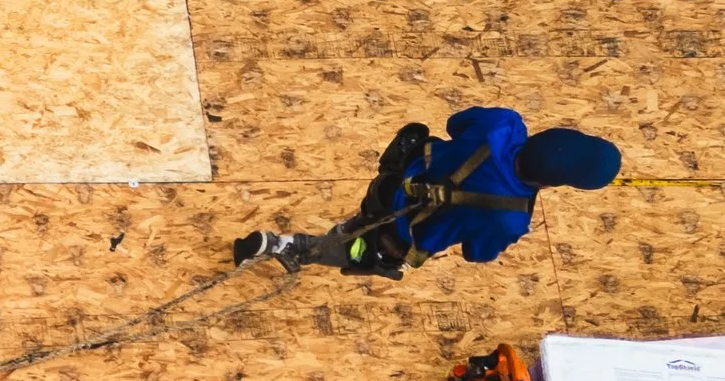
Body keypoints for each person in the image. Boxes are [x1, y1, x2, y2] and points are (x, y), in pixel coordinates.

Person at [232, 109, 620, 280]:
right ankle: (283, 246)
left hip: (394, 182)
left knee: (367, 218)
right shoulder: (510, 217)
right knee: (358, 247)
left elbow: (456, 122)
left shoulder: (504, 124)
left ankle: (349, 228)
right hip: (400, 236)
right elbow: (476, 253)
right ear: (555, 184)